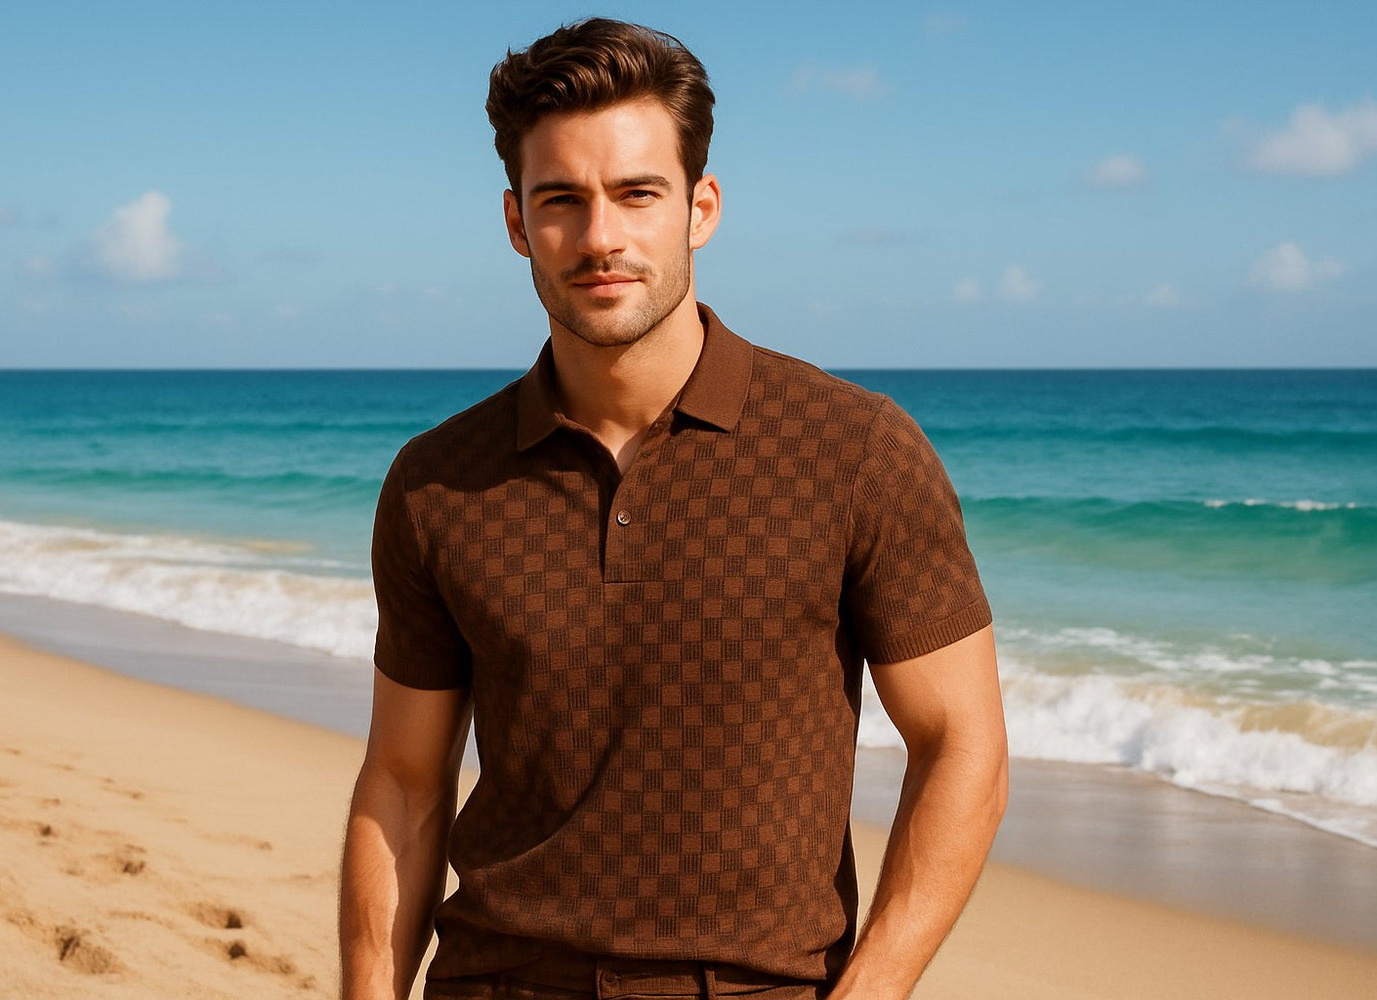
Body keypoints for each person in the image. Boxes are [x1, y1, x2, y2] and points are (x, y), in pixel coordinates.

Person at [340, 17, 1007, 1000]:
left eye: (637, 194)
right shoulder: (439, 480)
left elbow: (964, 745)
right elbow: (401, 780)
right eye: (561, 200)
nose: (600, 236)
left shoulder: (855, 449)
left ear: (701, 207)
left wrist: (872, 990)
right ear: (518, 223)